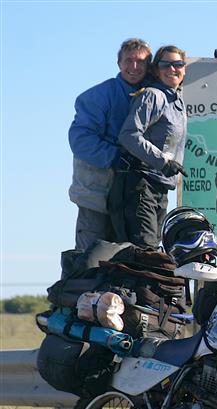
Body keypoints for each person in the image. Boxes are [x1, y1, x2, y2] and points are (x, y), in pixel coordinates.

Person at [67, 38, 151, 251]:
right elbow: (80, 140)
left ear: (149, 66)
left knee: (134, 262)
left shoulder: (155, 95)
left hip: (134, 200)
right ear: (118, 63)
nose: (134, 67)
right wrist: (116, 156)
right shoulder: (97, 97)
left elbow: (177, 75)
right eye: (128, 60)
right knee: (89, 262)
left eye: (141, 62)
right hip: (97, 197)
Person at [112, 45, 189, 249]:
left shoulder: (176, 100)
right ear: (156, 69)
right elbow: (129, 135)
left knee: (154, 250)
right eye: (165, 64)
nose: (172, 69)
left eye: (178, 64)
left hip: (161, 187)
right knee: (144, 252)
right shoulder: (154, 96)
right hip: (140, 183)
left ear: (185, 69)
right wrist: (163, 161)